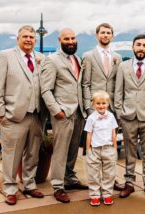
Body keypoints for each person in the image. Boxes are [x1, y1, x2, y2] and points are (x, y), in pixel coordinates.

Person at [0, 25, 45, 205]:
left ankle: (29, 184)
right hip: (13, 115)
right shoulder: (5, 56)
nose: (29, 39)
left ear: (35, 40)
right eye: (25, 37)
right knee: (11, 155)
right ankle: (10, 188)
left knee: (32, 153)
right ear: (17, 38)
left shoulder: (41, 58)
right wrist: (1, 114)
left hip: (36, 115)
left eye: (31, 37)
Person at [40, 28, 87, 203]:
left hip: (78, 112)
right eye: (67, 38)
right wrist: (56, 111)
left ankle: (69, 178)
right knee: (60, 151)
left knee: (74, 149)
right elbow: (45, 89)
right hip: (62, 113)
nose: (71, 41)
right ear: (60, 40)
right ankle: (58, 186)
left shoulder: (77, 59)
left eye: (73, 38)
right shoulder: (51, 60)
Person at [114, 34, 145, 199]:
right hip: (128, 117)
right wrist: (120, 114)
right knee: (129, 152)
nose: (141, 48)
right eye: (138, 45)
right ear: (133, 47)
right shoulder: (123, 66)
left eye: (144, 45)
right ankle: (129, 183)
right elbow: (118, 92)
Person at [82, 23, 123, 191]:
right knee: (94, 149)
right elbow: (85, 83)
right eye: (102, 32)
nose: (105, 35)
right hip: (95, 107)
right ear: (97, 35)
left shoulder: (118, 57)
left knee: (110, 148)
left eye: (108, 33)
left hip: (112, 107)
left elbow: (118, 82)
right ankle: (95, 183)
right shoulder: (88, 56)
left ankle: (110, 181)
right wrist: (88, 107)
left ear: (112, 36)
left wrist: (118, 106)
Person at [84, 90, 118, 206]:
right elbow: (89, 134)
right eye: (98, 103)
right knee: (93, 174)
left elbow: (113, 133)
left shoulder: (111, 117)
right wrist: (88, 150)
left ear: (108, 104)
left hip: (108, 148)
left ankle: (107, 194)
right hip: (95, 150)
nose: (101, 106)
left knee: (109, 173)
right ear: (94, 105)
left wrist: (114, 148)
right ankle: (94, 195)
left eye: (103, 103)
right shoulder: (91, 118)